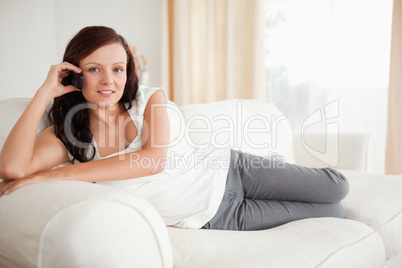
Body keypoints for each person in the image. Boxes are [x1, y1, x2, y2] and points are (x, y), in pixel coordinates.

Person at [0, 26, 349, 231]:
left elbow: (153, 160)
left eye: (118, 69)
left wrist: (54, 177)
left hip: (233, 171)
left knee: (338, 187)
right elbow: (12, 168)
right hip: (214, 215)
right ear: (73, 73)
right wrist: (45, 90)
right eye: (94, 69)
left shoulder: (149, 99)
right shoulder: (67, 136)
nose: (109, 80)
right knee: (334, 212)